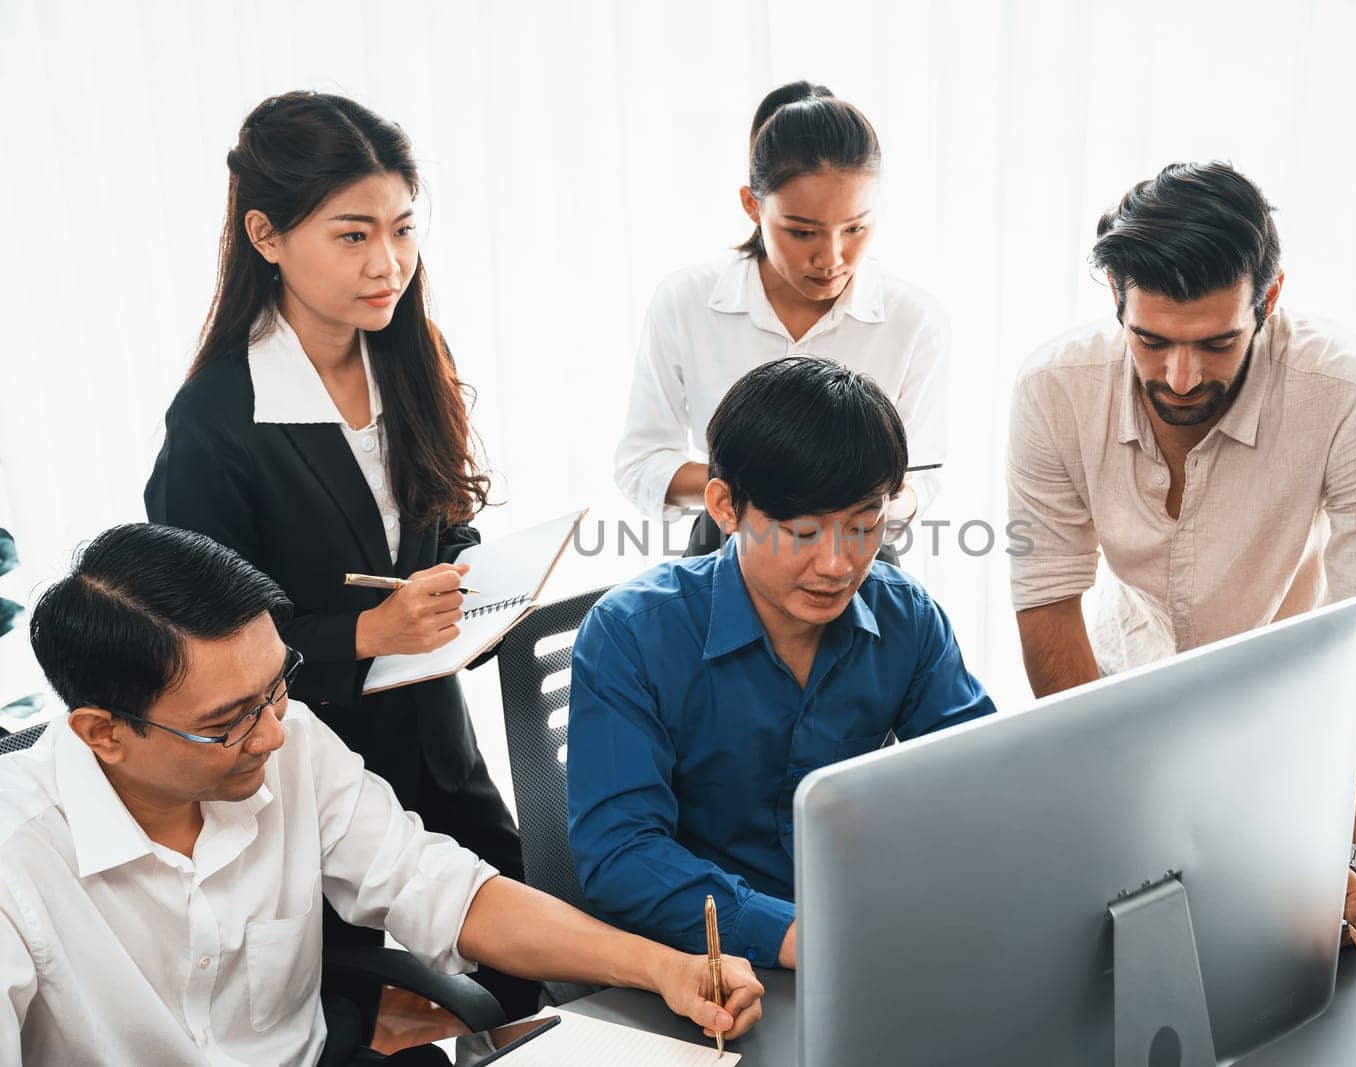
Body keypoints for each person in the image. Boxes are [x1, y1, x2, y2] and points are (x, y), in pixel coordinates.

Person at [0, 523, 763, 1066]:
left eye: (277, 686)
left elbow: (445, 890)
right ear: (102, 730)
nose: (272, 732)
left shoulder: (291, 739)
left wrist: (664, 965)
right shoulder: (16, 851)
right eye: (228, 722)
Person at [143, 91, 535, 1017]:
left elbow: (437, 523)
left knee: (526, 974)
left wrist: (474, 582)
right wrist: (365, 632)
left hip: (438, 746)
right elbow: (194, 648)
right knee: (340, 1017)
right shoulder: (214, 421)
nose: (388, 263)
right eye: (352, 236)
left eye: (402, 229)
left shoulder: (405, 353)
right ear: (267, 236)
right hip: (295, 775)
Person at [1006, 161, 1356, 923]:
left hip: (1292, 724)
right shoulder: (1053, 389)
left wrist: (1333, 850)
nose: (1178, 376)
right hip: (1116, 694)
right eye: (1151, 340)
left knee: (1283, 963)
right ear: (1116, 300)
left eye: (1215, 343)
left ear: (1266, 300)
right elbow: (1046, 600)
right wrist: (1108, 802)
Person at [570, 357, 995, 969]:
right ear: (724, 507)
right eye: (801, 533)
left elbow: (979, 780)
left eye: (863, 526)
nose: (837, 564)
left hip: (865, 940)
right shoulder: (631, 634)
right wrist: (800, 935)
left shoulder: (906, 617)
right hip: (697, 968)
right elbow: (621, 856)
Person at [613, 80, 949, 557]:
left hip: (858, 557)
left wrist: (870, 511)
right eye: (802, 231)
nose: (831, 257)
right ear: (753, 205)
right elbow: (640, 462)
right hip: (724, 552)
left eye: (855, 227)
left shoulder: (913, 318)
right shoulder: (686, 302)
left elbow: (922, 475)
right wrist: (756, 491)